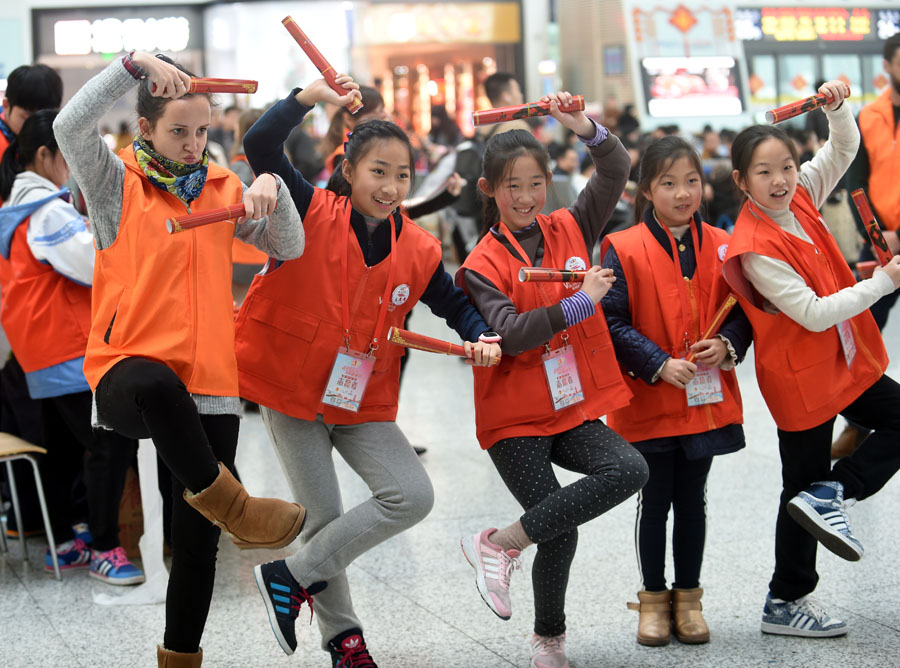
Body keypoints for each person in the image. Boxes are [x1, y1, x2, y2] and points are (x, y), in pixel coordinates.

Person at [234, 74, 501, 668]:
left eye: (402, 174)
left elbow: (452, 302)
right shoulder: (308, 209)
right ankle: (344, 641)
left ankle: (289, 576)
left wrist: (479, 333)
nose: (391, 186)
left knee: (411, 495)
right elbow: (260, 147)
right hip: (291, 390)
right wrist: (307, 97)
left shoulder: (419, 247)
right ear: (349, 170)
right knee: (326, 517)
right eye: (378, 171)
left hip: (360, 399)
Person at [53, 50, 306, 667]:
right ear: (144, 128)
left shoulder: (222, 187)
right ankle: (237, 505)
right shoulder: (115, 184)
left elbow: (290, 247)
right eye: (178, 132)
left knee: (197, 546)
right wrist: (130, 66)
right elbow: (68, 126)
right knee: (155, 378)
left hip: (212, 383)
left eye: (201, 131)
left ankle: (180, 657)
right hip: (126, 376)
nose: (194, 145)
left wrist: (275, 188)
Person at [456, 93, 649, 668]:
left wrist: (582, 126)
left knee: (629, 468)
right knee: (560, 529)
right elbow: (511, 334)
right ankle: (549, 640)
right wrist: (580, 302)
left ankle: (500, 542)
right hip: (514, 417)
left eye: (535, 183)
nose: (525, 198)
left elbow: (616, 168)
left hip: (569, 404)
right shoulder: (480, 263)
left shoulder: (571, 223)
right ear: (489, 190)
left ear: (549, 182)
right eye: (512, 186)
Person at [721, 80, 900, 638]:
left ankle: (835, 490)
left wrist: (837, 109)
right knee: (796, 484)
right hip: (800, 377)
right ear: (740, 181)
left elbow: (842, 149)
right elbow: (814, 313)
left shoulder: (799, 196)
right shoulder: (752, 247)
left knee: (812, 488)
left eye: (787, 167)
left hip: (843, 365)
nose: (779, 180)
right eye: (764, 172)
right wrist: (885, 282)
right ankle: (785, 601)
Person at [600, 136, 751, 646]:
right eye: (669, 183)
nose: (683, 193)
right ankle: (653, 599)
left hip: (704, 401)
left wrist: (727, 345)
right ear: (647, 190)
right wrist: (658, 363)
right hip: (650, 398)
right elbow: (611, 321)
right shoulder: (622, 246)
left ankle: (689, 598)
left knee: (694, 501)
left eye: (691, 181)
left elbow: (744, 311)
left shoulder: (725, 243)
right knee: (655, 499)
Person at [0, 110, 144, 584]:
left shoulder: (16, 208)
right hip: (68, 349)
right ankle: (104, 547)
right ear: (45, 155)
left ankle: (67, 542)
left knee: (62, 447)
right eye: (70, 155)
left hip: (39, 353)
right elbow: (90, 264)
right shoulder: (47, 210)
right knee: (111, 442)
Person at [838, 34, 900, 457]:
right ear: (888, 65)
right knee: (860, 331)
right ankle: (858, 423)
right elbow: (855, 181)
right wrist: (878, 234)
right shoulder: (870, 114)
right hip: (879, 245)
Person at [228, 108, 268, 305]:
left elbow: (231, 200)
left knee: (238, 313)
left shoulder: (240, 166)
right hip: (268, 251)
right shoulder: (276, 162)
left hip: (242, 253)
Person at [317, 85, 390, 178]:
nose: (380, 124)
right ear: (348, 119)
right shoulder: (344, 155)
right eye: (373, 118)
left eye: (383, 118)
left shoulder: (373, 146)